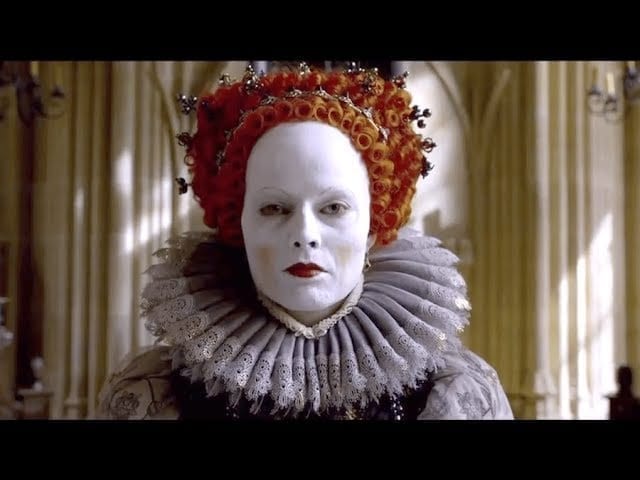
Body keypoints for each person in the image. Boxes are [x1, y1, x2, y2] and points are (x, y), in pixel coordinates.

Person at [97, 63, 513, 420]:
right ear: (237, 222)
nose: (304, 235)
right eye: (274, 208)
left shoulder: (453, 391)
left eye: (333, 208)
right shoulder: (155, 393)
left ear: (374, 225)